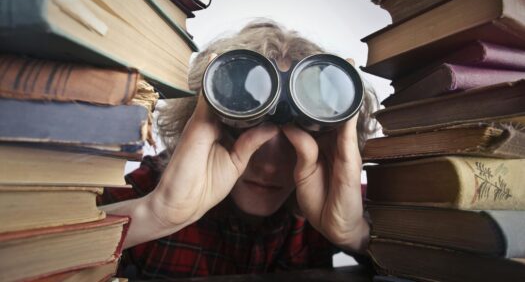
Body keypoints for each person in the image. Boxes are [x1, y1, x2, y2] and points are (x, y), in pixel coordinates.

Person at [99, 20, 378, 279]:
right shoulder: (150, 188)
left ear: (326, 144)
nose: (268, 166)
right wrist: (155, 214)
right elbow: (54, 248)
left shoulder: (335, 196)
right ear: (211, 124)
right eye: (247, 127)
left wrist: (354, 233)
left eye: (293, 142)